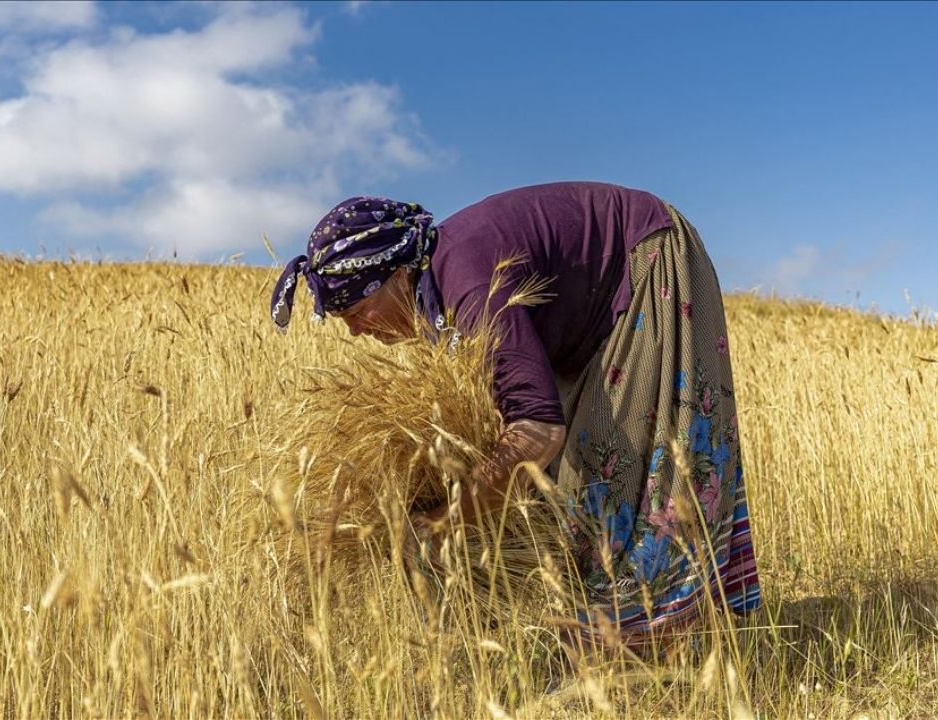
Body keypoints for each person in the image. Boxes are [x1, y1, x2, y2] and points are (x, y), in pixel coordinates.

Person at [269, 181, 760, 651]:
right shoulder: (437, 295)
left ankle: (642, 648)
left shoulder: (469, 286)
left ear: (396, 276)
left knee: (612, 475)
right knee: (573, 482)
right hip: (594, 313)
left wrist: (444, 521)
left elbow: (535, 430)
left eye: (356, 310)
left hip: (651, 260)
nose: (355, 331)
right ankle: (617, 640)